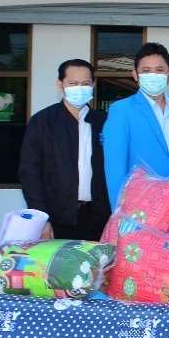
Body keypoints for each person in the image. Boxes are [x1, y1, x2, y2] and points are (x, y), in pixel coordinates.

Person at [19, 59, 111, 240]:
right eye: (73, 83)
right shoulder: (42, 122)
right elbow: (29, 173)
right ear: (60, 85)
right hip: (56, 219)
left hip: (98, 218)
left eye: (85, 83)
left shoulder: (104, 122)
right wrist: (41, 218)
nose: (80, 88)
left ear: (93, 84)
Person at [102, 42, 169, 210]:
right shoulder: (121, 110)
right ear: (135, 75)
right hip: (139, 209)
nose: (153, 75)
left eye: (159, 70)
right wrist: (119, 212)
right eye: (146, 71)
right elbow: (115, 166)